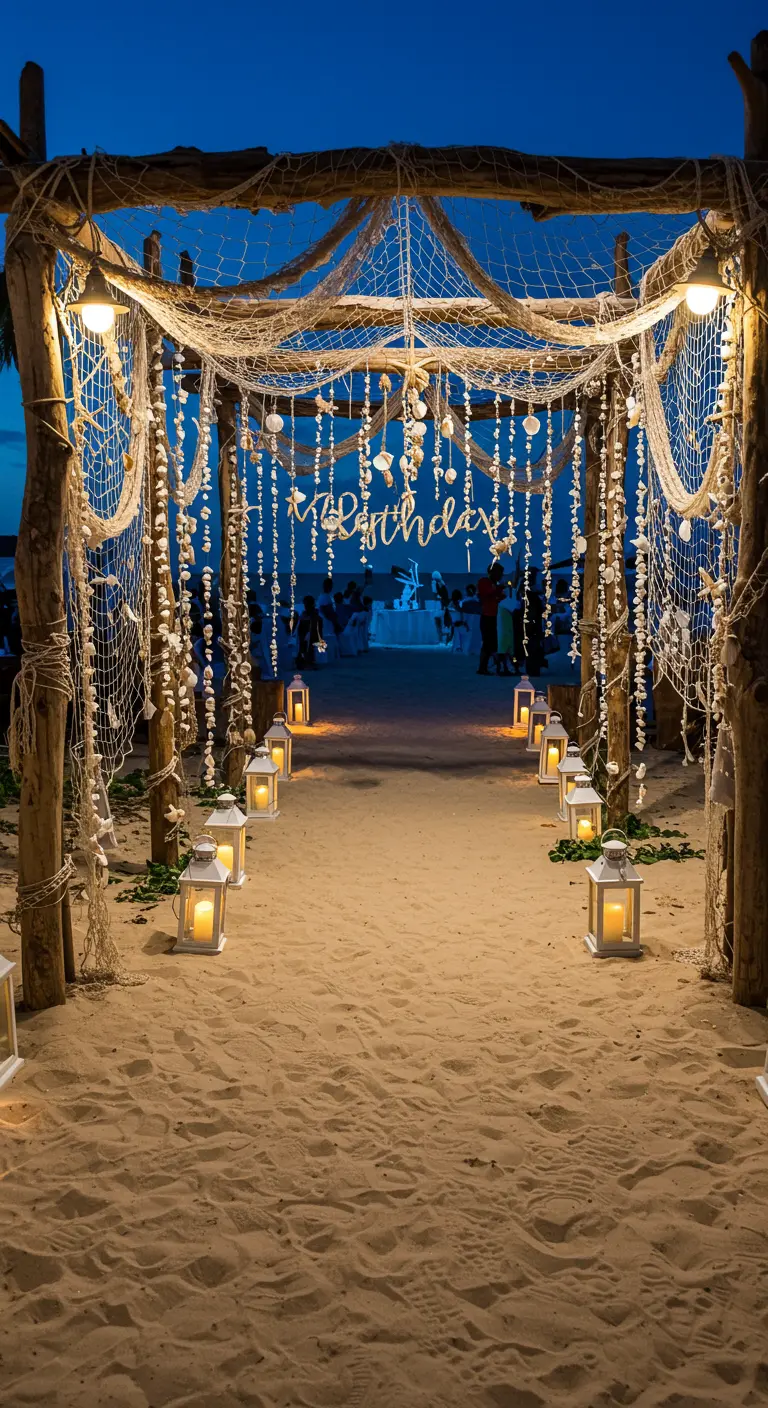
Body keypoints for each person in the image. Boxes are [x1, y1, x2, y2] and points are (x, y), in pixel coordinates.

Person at [477, 562, 505, 675]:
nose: (501, 576)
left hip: (495, 616)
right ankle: (483, 667)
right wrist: (499, 588)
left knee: (493, 643)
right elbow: (487, 593)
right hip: (488, 617)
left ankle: (494, 666)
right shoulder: (484, 582)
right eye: (500, 573)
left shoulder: (494, 584)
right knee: (488, 643)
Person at [296, 596, 324, 669]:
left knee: (305, 643)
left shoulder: (313, 614)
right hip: (308, 634)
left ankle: (306, 661)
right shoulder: (308, 613)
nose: (305, 606)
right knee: (304, 642)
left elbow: (314, 627)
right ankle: (305, 660)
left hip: (311, 634)